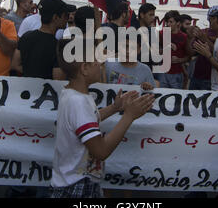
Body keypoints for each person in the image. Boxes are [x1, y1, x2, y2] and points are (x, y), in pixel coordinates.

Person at [50, 38, 155, 198]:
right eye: (96, 60)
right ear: (84, 68)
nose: (101, 63)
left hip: (74, 180)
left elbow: (91, 118)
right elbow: (101, 151)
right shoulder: (79, 102)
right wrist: (129, 116)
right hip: (76, 186)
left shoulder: (74, 94)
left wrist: (115, 107)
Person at [11, 0, 75, 79]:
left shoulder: (25, 37)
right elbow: (58, 78)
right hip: (47, 90)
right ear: (55, 17)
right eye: (65, 15)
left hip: (27, 88)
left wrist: (33, 74)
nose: (67, 18)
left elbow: (15, 65)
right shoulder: (58, 47)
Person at [157, 10, 191, 89]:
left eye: (171, 22)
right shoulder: (161, 33)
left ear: (178, 23)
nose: (168, 24)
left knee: (176, 98)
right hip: (163, 73)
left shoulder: (184, 37)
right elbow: (155, 50)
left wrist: (179, 60)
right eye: (167, 22)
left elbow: (188, 57)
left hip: (177, 73)